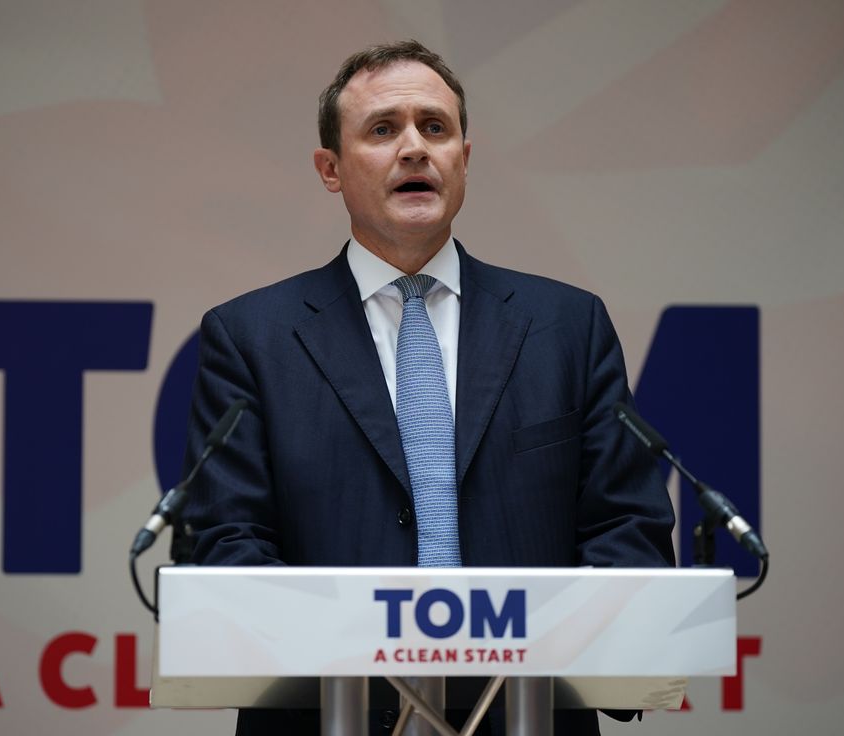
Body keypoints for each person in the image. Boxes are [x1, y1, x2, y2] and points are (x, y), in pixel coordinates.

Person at [181, 40, 675, 736]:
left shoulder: (566, 326)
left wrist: (595, 658)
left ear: (463, 161)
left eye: (434, 128)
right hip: (328, 716)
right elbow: (228, 537)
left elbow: (626, 525)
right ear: (330, 169)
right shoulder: (251, 337)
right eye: (383, 130)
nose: (414, 148)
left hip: (528, 715)